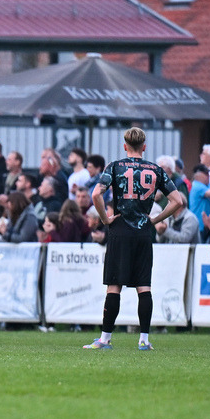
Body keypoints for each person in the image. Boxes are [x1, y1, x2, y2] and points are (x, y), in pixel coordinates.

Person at [84, 127, 183, 351]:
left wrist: (106, 219)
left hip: (120, 230)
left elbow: (96, 194)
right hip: (142, 231)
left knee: (114, 286)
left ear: (125, 145)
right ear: (144, 147)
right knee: (143, 286)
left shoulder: (116, 166)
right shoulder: (155, 169)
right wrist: (156, 218)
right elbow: (177, 201)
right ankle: (144, 340)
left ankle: (105, 339)